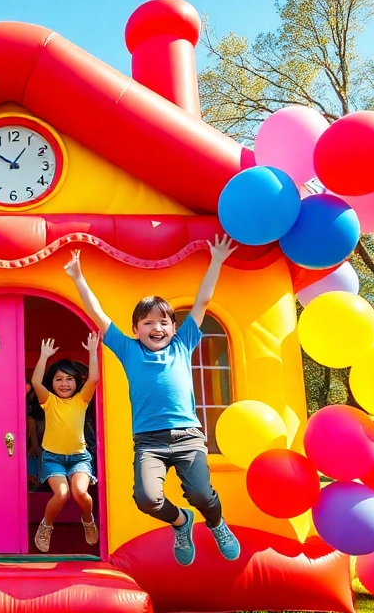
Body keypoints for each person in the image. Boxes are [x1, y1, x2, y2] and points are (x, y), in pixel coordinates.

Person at [64, 238, 242, 566]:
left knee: (202, 494)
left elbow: (202, 301)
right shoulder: (128, 349)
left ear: (175, 328)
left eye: (163, 322)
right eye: (148, 323)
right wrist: (78, 278)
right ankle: (181, 522)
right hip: (149, 442)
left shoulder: (183, 344)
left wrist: (215, 260)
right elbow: (98, 314)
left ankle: (216, 523)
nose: (156, 327)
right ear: (135, 329)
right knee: (146, 499)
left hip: (188, 436)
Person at [30, 335, 101, 553]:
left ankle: (88, 520)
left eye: (69, 379)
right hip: (53, 459)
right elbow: (35, 382)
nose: (64, 383)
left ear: (76, 382)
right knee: (61, 494)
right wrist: (43, 356)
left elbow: (94, 379)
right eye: (59, 379)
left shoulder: (82, 400)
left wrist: (91, 351)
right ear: (52, 382)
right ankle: (46, 525)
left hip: (79, 457)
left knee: (80, 492)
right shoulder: (48, 401)